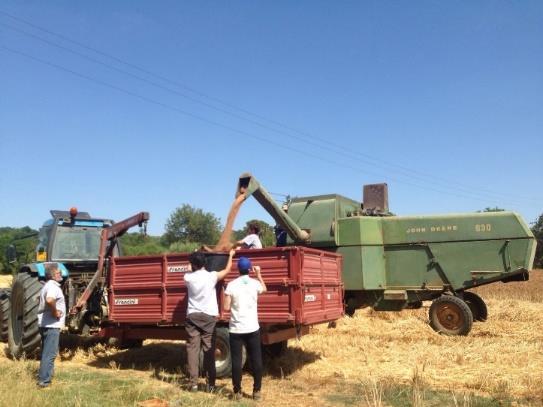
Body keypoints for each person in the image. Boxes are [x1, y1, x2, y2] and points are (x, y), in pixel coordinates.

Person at [184, 248, 235, 392]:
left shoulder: (188, 277)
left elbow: (188, 268)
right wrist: (230, 255)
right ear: (205, 263)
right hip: (208, 318)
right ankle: (210, 384)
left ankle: (193, 383)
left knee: (192, 350)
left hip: (193, 316)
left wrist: (193, 255)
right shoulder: (211, 276)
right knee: (209, 350)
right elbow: (227, 270)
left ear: (193, 264)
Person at [224, 256, 267, 401]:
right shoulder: (255, 283)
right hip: (252, 328)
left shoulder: (231, 285)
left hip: (236, 329)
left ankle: (237, 392)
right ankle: (257, 392)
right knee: (256, 359)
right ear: (250, 269)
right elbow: (264, 289)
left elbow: (225, 307)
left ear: (238, 269)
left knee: (236, 362)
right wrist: (259, 274)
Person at [37, 263, 66, 388]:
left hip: (46, 324)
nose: (61, 274)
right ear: (52, 275)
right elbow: (49, 300)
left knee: (46, 353)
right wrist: (55, 312)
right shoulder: (53, 287)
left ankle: (45, 377)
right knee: (50, 354)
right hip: (51, 325)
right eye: (59, 273)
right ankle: (44, 382)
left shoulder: (46, 286)